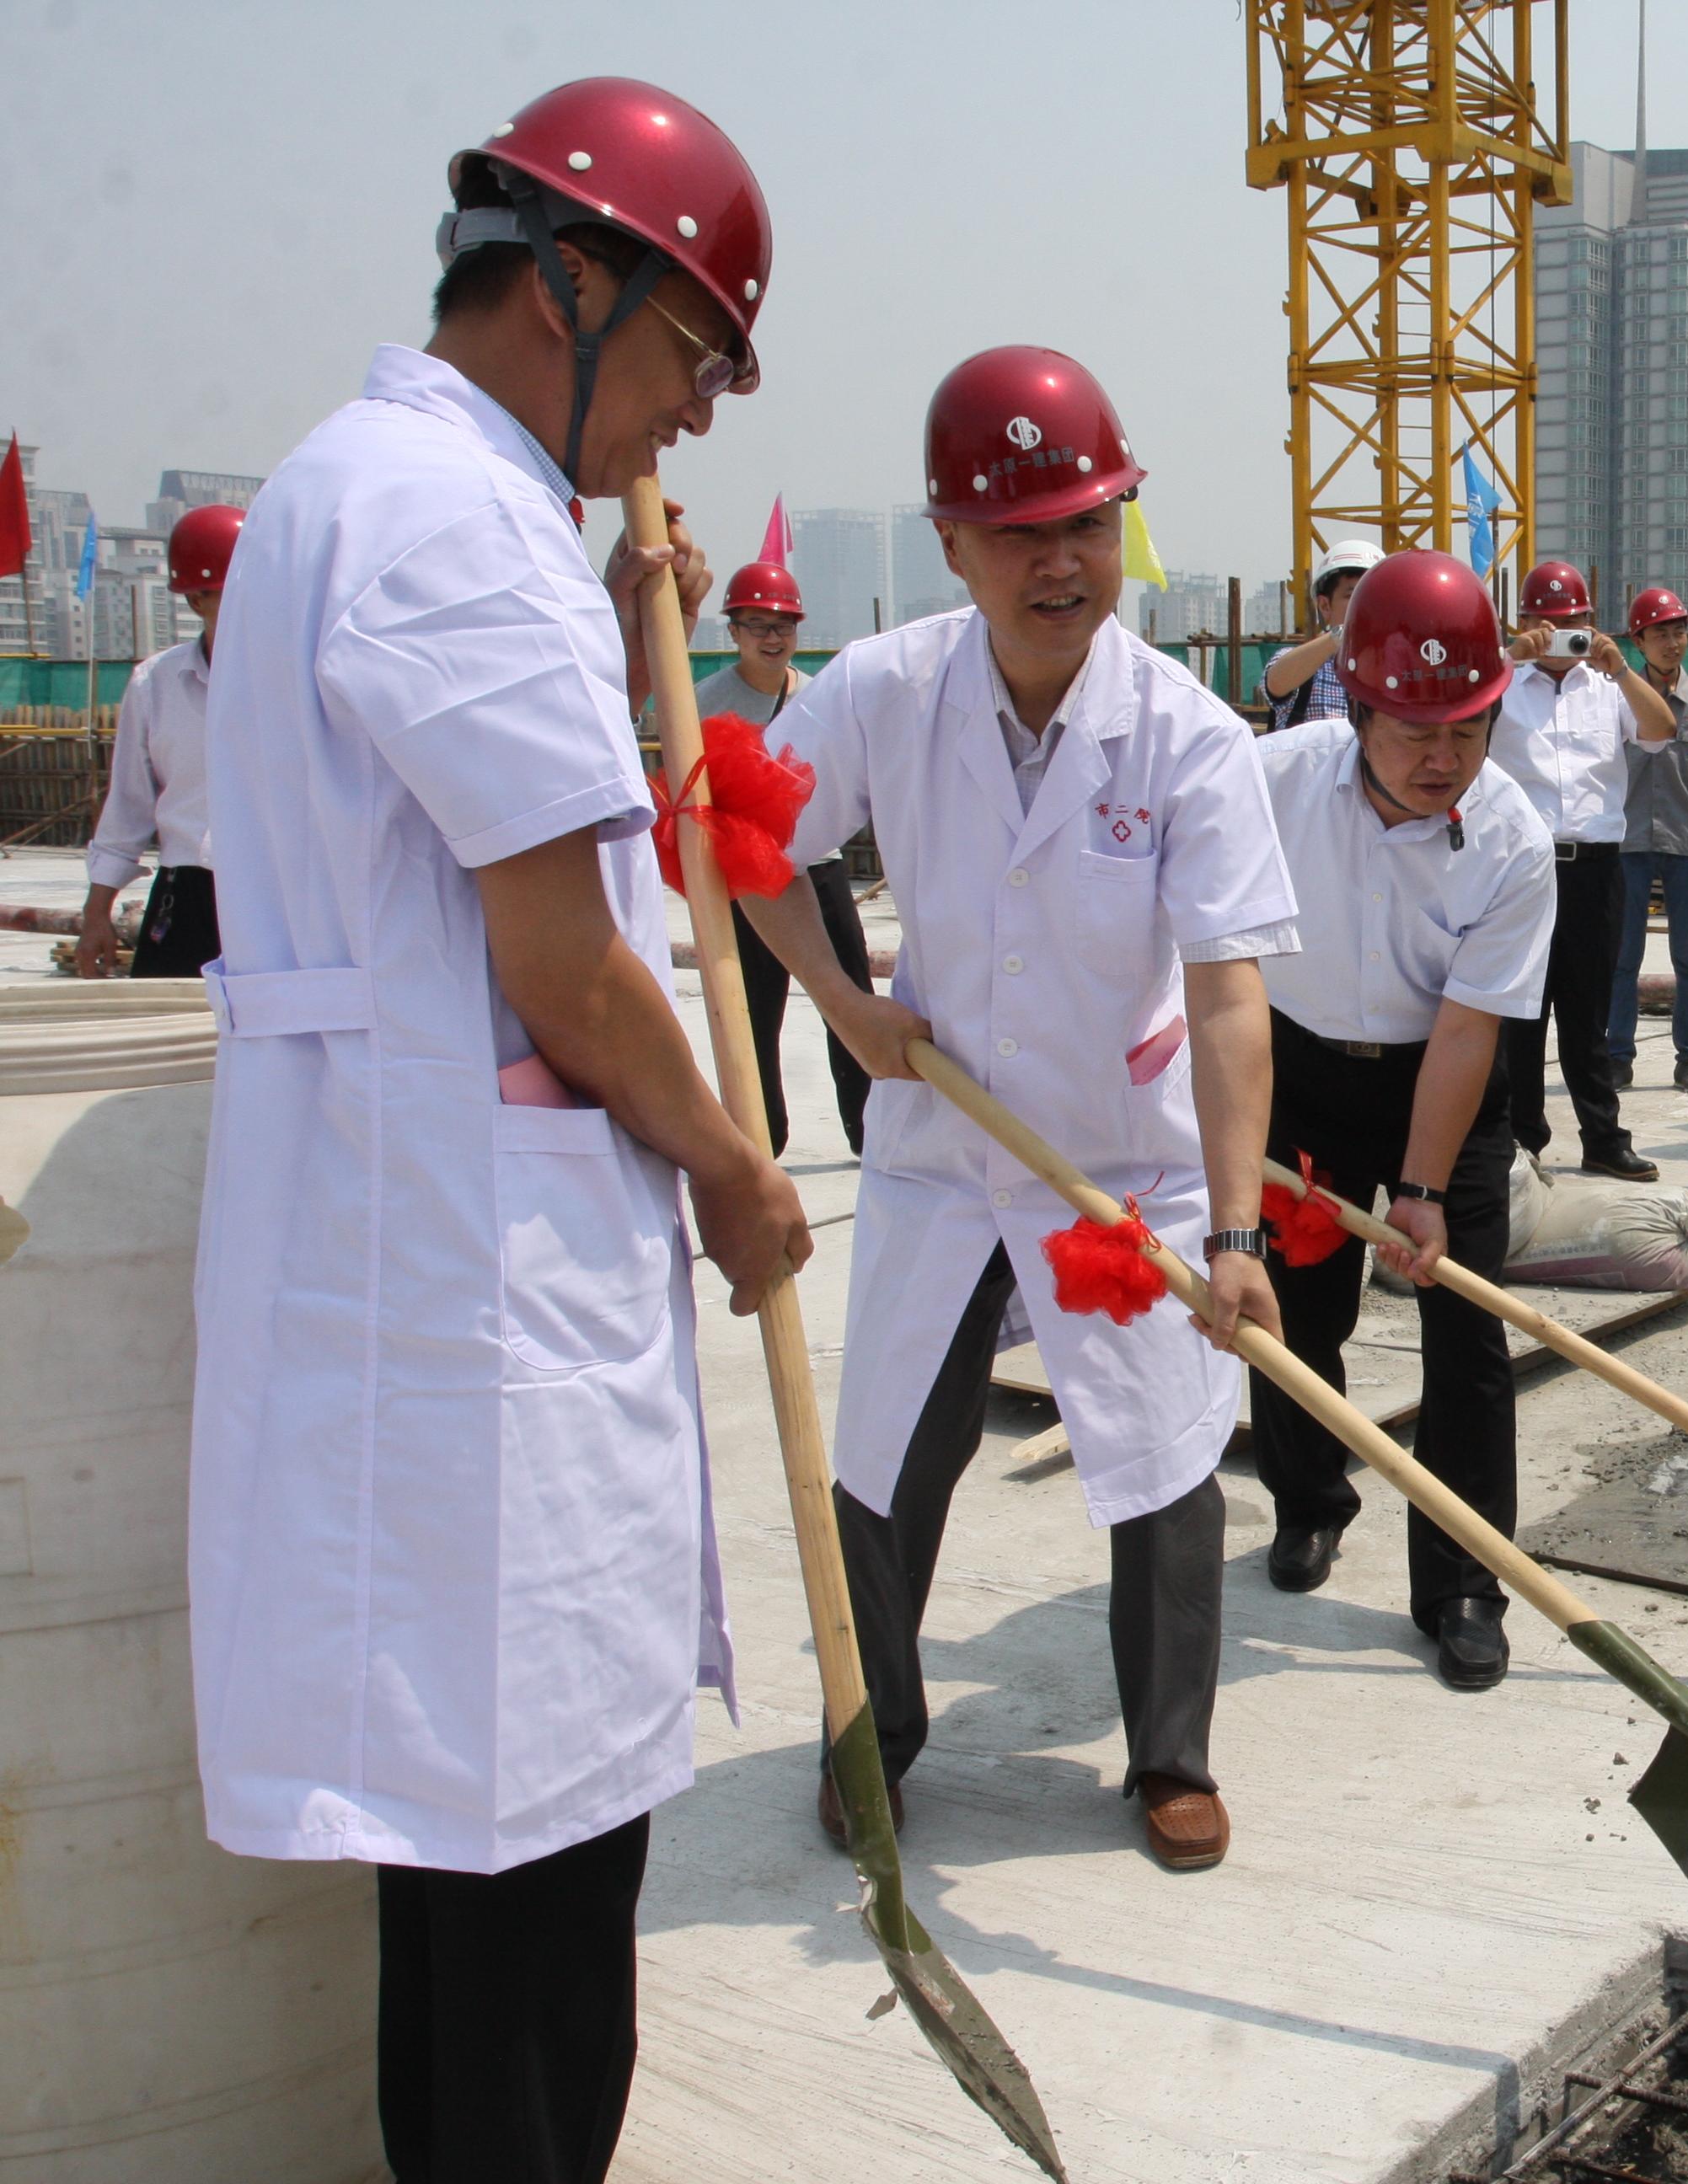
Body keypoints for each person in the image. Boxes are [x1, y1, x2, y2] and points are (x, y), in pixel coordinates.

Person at [190, 81, 802, 2181]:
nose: (694, 419)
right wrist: (736, 1167)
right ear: (568, 288)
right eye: (690, 359)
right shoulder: (453, 524)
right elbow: (563, 957)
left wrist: (635, 612)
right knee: (530, 1961)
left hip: (422, 1279)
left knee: (467, 1946)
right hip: (466, 1330)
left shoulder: (364, 494)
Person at [739, 347, 1295, 1876]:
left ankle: (1169, 1756)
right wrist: (845, 1006)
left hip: (1114, 1164)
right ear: (954, 546)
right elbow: (743, 841)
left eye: (1090, 525)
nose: (1063, 563)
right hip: (939, 1148)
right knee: (885, 1458)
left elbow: (1230, 996)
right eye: (1022, 532)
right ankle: (877, 1733)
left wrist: (1239, 1228)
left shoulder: (1184, 734)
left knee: (1164, 1455)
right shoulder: (880, 691)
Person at [1247, 550, 1555, 1689]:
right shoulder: (1269, 780)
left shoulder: (1514, 836)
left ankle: (1465, 1583)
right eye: (1417, 733)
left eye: (1468, 733)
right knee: (1292, 1313)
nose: (1445, 761)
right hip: (1299, 1071)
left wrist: (1421, 1192)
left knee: (1467, 1336)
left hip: (1448, 1080)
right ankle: (1308, 1502)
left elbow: (1472, 1031)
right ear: (1357, 708)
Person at [682, 553, 875, 1156]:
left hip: (819, 869)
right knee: (756, 1013)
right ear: (733, 631)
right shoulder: (704, 704)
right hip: (748, 883)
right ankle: (763, 1140)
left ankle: (870, 1134)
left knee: (852, 1002)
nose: (773, 638)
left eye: (784, 626)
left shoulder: (818, 699)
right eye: (758, 625)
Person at [1488, 559, 1675, 1180]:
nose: (1565, 634)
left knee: (1587, 1011)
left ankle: (1603, 1136)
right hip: (1523, 868)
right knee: (1521, 1013)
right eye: (1551, 622)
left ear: (1593, 624)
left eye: (1575, 623)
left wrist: (1621, 669)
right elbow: (1458, 709)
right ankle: (1522, 1139)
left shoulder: (1608, 688)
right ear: (1526, 622)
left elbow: (1661, 730)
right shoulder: (1503, 685)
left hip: (1596, 870)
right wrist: (1511, 657)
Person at [78, 500, 239, 981]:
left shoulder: (300, 680)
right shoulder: (157, 684)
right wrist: (95, 914)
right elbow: (128, 807)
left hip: (284, 893)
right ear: (196, 600)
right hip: (187, 895)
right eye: (232, 595)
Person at [1605, 584, 1688, 1094]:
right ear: (1638, 641)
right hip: (1627, 839)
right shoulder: (1616, 697)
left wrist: (1684, 807)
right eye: (1661, 635)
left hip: (1685, 840)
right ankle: (1617, 1056)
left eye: (1679, 633)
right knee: (1623, 956)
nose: (1672, 643)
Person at [1258, 536, 1379, 730]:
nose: (1364, 604)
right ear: (1324, 606)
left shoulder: (1393, 668)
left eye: (1373, 595)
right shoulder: (1308, 667)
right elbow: (1276, 682)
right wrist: (1343, 635)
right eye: (1352, 595)